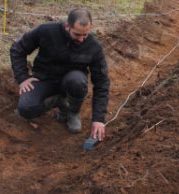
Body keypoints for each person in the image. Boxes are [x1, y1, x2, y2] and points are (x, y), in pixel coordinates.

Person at [10, 8, 109, 141]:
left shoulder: (93, 47)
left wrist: (98, 119)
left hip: (71, 82)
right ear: (67, 26)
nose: (81, 39)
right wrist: (22, 77)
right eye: (77, 34)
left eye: (85, 35)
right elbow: (18, 48)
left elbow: (102, 82)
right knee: (26, 109)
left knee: (77, 81)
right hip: (44, 79)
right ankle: (61, 102)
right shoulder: (46, 31)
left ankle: (72, 111)